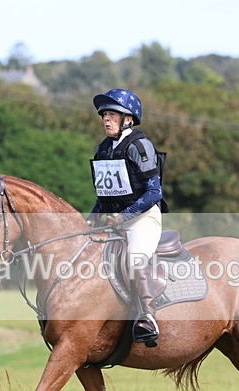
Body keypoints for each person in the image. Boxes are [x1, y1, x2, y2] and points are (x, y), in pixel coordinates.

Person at [87, 88, 165, 346]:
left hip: (142, 217)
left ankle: (148, 316)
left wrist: (124, 217)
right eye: (104, 115)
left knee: (134, 258)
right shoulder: (104, 149)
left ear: (128, 119)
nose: (106, 119)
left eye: (112, 114)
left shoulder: (140, 146)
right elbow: (104, 194)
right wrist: (90, 220)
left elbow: (155, 192)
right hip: (114, 218)